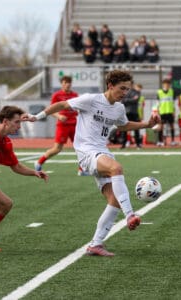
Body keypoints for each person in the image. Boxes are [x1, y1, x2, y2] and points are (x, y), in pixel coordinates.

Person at [23, 70, 161, 257]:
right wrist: (36, 117)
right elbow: (62, 104)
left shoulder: (119, 108)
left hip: (102, 151)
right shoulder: (90, 99)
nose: (125, 93)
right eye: (122, 88)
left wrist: (146, 124)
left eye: (127, 89)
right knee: (116, 168)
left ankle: (95, 244)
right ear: (110, 85)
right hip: (86, 152)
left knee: (113, 200)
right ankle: (130, 215)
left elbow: (122, 125)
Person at [0, 106, 48, 252]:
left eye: (20, 123)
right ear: (5, 121)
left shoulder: (5, 144)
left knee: (5, 204)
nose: (19, 126)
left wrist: (34, 173)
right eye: (17, 122)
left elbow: (16, 166)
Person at [34, 76, 86, 176]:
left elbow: (78, 108)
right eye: (65, 82)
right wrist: (59, 116)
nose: (68, 84)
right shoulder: (57, 95)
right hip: (62, 126)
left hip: (74, 125)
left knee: (81, 147)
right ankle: (39, 161)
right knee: (57, 148)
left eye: (69, 82)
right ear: (62, 83)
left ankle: (82, 170)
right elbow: (50, 110)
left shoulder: (75, 95)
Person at [120, 83, 143, 149]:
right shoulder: (126, 92)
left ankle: (138, 144)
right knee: (124, 128)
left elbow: (135, 100)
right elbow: (123, 100)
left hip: (134, 112)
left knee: (136, 128)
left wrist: (127, 100)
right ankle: (123, 144)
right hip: (127, 112)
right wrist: (130, 100)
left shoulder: (137, 92)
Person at [156, 79, 176, 146]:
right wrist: (157, 112)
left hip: (170, 112)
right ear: (163, 84)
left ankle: (173, 141)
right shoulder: (159, 92)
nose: (167, 85)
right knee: (160, 127)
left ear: (169, 85)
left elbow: (173, 103)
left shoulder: (171, 91)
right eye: (165, 84)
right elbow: (157, 103)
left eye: (168, 84)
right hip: (162, 112)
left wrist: (174, 111)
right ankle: (160, 141)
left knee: (172, 126)